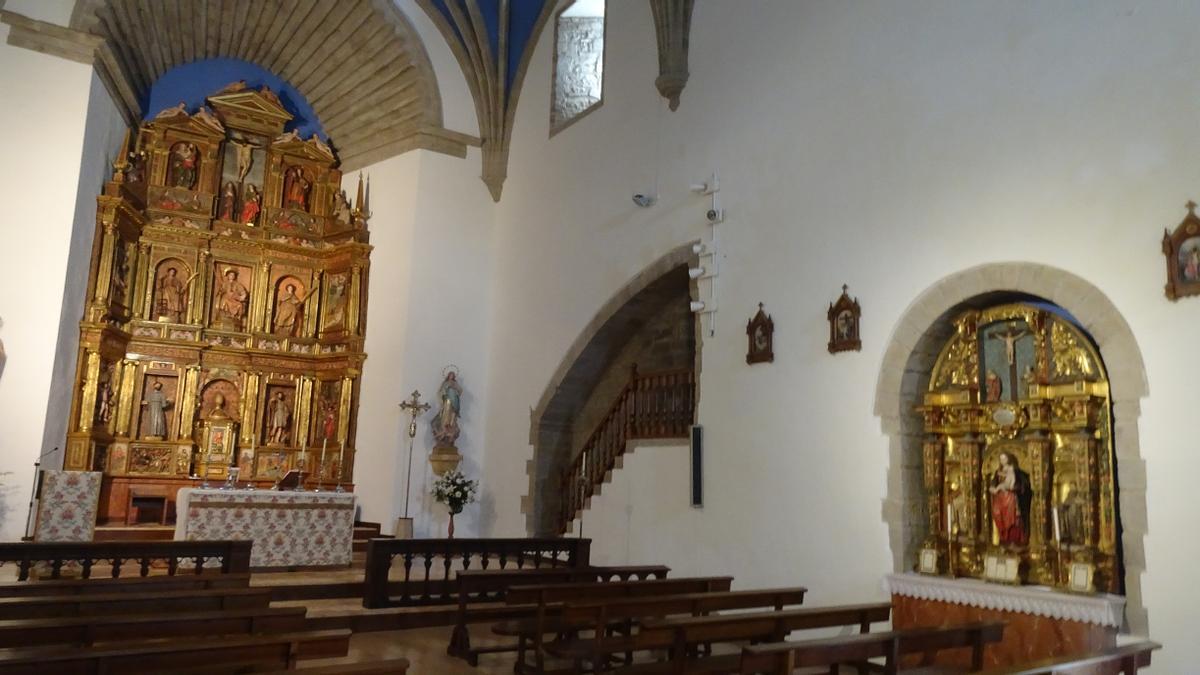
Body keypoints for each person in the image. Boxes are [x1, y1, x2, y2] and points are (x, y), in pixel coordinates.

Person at [989, 451, 1031, 546]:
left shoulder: (1016, 472)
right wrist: (994, 488)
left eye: (1004, 458)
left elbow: (1021, 485)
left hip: (1010, 498)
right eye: (1001, 459)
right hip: (1000, 498)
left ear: (1009, 459)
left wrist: (1010, 487)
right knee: (997, 514)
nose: (1003, 460)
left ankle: (1013, 539)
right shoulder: (998, 472)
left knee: (1013, 519)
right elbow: (993, 484)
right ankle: (1003, 536)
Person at [433, 371, 463, 447]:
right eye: (450, 375)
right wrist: (447, 389)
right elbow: (441, 391)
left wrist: (454, 388)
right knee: (446, 412)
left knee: (453, 413)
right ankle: (444, 426)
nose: (451, 376)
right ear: (448, 376)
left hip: (455, 401)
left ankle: (451, 426)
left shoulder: (455, 383)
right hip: (448, 401)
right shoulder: (445, 383)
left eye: (453, 375)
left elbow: (460, 390)